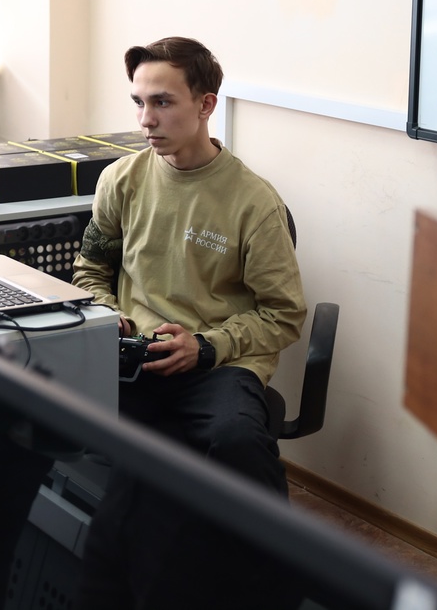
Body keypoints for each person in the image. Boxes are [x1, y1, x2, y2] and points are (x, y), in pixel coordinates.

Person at [70, 36, 307, 494]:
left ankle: (271, 543)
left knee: (237, 443)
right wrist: (108, 313)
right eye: (139, 102)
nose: (146, 119)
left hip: (218, 365)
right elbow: (90, 269)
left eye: (162, 102)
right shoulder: (120, 180)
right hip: (135, 356)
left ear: (205, 105)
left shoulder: (254, 203)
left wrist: (204, 346)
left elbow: (284, 314)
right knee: (42, 412)